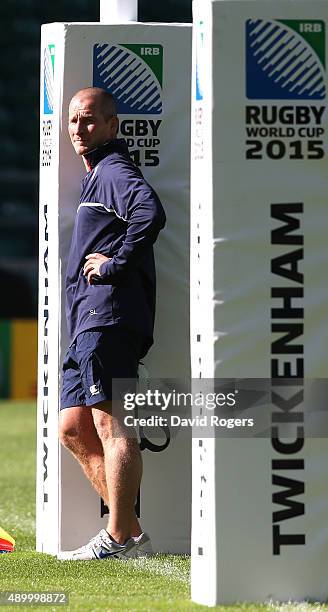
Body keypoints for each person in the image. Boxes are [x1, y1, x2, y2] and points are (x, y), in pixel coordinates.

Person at [57, 87, 166, 561]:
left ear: (111, 125)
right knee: (72, 428)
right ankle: (133, 533)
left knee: (110, 424)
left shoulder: (114, 170)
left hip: (107, 317)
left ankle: (118, 537)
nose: (79, 130)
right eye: (74, 121)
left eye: (89, 121)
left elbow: (150, 212)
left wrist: (114, 265)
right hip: (87, 322)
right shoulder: (96, 175)